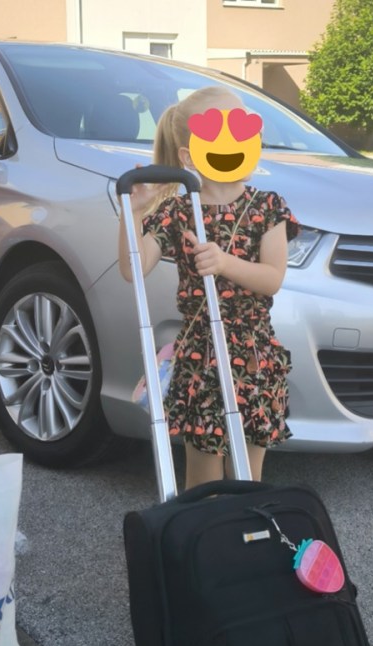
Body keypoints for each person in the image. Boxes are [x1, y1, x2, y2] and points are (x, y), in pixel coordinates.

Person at [118, 86, 298, 488]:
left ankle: (244, 524)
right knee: (203, 478)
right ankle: (207, 525)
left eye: (245, 131)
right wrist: (133, 212)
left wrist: (224, 263)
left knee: (247, 476)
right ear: (188, 156)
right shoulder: (178, 212)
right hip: (201, 358)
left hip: (253, 356)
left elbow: (272, 279)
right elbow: (133, 268)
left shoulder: (268, 207)